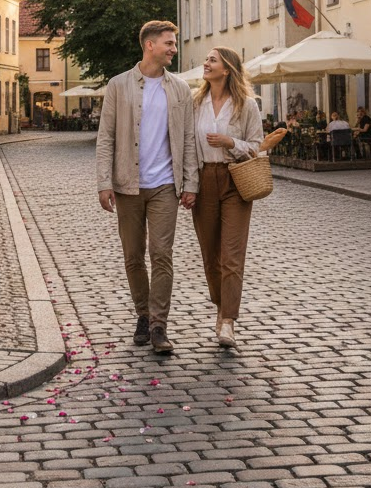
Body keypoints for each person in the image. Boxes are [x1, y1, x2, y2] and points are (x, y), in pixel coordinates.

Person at [96, 20, 198, 355]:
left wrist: (190, 183)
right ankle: (142, 313)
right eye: (169, 43)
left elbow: (188, 140)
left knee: (162, 254)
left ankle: (158, 325)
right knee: (133, 256)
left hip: (165, 186)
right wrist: (104, 183)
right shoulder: (119, 85)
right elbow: (105, 138)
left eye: (174, 43)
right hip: (127, 184)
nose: (174, 48)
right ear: (150, 45)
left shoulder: (180, 89)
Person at [190, 46, 265, 350]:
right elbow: (186, 145)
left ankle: (228, 321)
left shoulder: (245, 105)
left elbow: (258, 146)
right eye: (207, 60)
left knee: (232, 256)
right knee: (211, 257)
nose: (205, 64)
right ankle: (221, 307)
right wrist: (188, 184)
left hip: (236, 180)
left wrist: (230, 142)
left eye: (212, 60)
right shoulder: (195, 103)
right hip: (204, 179)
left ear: (227, 69)